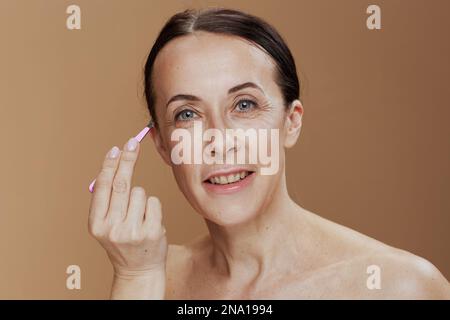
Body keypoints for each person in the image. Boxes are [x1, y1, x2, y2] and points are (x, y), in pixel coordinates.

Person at [88, 8, 450, 299]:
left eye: (244, 105)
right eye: (187, 114)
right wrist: (136, 278)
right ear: (163, 145)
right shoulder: (153, 276)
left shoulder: (398, 287)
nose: (220, 139)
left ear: (291, 122)